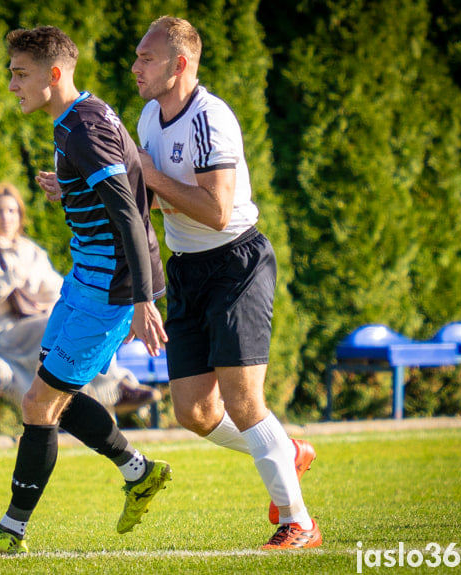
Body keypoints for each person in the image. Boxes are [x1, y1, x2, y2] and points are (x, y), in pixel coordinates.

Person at [0, 26, 170, 556]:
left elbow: (128, 212)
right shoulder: (78, 119)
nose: (11, 85)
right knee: (54, 398)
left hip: (110, 293)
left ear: (53, 75)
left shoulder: (83, 130)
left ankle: (10, 530)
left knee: (38, 402)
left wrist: (142, 300)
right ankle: (138, 473)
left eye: (19, 74)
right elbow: (130, 176)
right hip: (83, 284)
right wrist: (67, 185)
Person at [131, 16, 322, 549]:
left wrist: (150, 177)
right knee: (193, 411)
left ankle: (299, 522)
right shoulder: (149, 116)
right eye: (138, 57)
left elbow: (217, 211)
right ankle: (285, 449)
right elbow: (148, 196)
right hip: (187, 267)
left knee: (243, 400)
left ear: (180, 64)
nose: (136, 67)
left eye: (147, 59)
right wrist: (78, 191)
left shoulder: (212, 119)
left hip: (235, 262)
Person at [0, 182, 162, 414]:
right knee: (53, 331)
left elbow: (57, 288)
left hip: (36, 324)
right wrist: (9, 279)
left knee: (82, 325)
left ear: (20, 215)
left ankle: (108, 389)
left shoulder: (29, 250)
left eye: (11, 210)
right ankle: (111, 391)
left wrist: (30, 281)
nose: (6, 217)